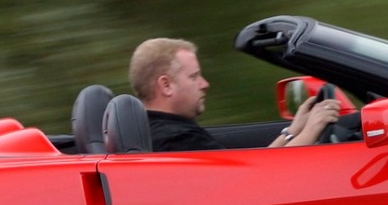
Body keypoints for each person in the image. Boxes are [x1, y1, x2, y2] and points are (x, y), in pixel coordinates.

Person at [129, 37, 342, 152]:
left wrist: (294, 130)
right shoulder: (178, 141)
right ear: (166, 85)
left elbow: (253, 168)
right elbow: (255, 182)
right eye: (194, 77)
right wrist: (312, 129)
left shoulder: (156, 132)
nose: (205, 84)